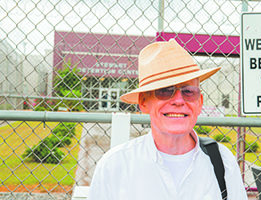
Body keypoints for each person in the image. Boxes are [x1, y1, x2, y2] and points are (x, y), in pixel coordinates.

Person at [88, 39, 248, 200]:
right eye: (164, 91)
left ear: (199, 102)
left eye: (188, 91)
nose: (178, 100)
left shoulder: (222, 161)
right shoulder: (115, 166)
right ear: (143, 102)